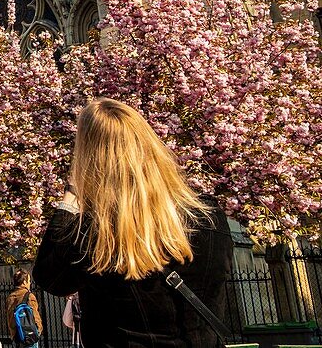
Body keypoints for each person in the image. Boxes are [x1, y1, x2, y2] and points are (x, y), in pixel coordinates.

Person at [33, 97, 234, 348]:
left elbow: (49, 278)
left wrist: (72, 195)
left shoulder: (96, 230)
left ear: (89, 159)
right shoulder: (208, 214)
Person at [5, 270, 42, 348]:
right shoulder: (29, 296)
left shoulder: (10, 297)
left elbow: (10, 318)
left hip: (17, 336)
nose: (30, 283)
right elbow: (35, 316)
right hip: (30, 335)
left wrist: (13, 334)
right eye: (28, 280)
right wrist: (39, 330)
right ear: (24, 282)